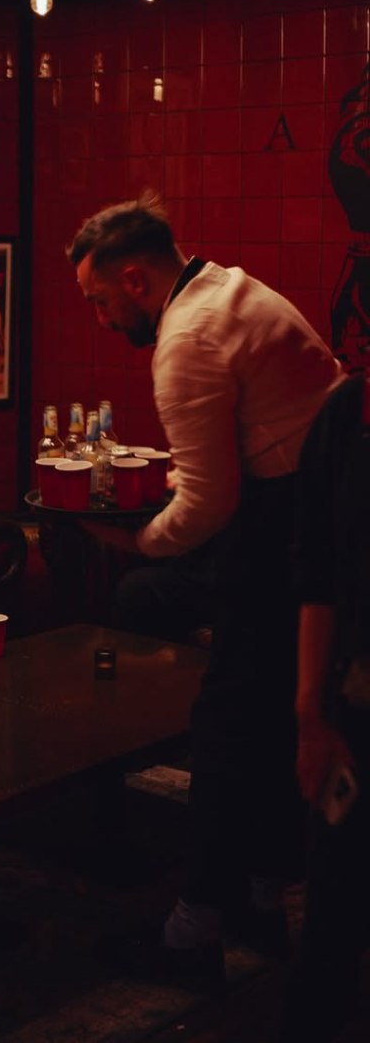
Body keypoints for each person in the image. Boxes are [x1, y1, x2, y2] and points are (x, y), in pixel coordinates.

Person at [66, 194, 344, 986]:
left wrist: (134, 542)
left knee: (225, 727)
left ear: (135, 279)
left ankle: (193, 936)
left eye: (98, 301)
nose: (100, 318)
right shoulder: (232, 287)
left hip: (287, 530)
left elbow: (209, 502)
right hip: (324, 518)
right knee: (263, 718)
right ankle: (261, 893)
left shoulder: (185, 336)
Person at [280, 370, 370, 1043]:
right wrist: (310, 711)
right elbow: (316, 574)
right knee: (333, 912)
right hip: (356, 697)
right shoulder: (346, 413)